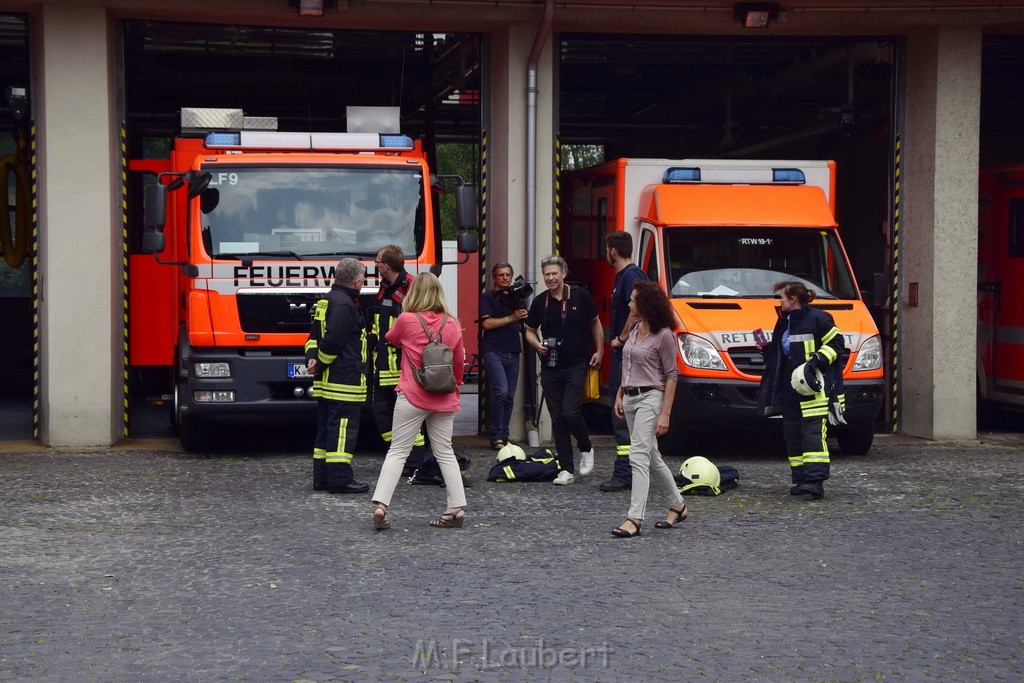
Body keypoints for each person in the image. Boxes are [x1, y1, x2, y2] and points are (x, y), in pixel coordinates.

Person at [370, 273, 468, 530]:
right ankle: (456, 508)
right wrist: (455, 386)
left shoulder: (406, 319)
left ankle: (381, 505)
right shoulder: (453, 324)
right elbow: (459, 362)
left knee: (398, 451)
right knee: (445, 452)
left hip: (413, 395)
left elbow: (390, 338)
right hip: (444, 396)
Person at [757, 281, 846, 500]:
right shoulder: (784, 321)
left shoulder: (818, 318)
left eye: (782, 298)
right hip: (790, 386)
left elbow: (837, 343)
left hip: (813, 388)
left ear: (792, 299)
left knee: (813, 434)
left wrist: (816, 360)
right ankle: (800, 479)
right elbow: (783, 354)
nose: (780, 301)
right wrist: (767, 350)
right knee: (793, 432)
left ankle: (815, 482)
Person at [610, 281, 686, 538]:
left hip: (650, 399)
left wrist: (665, 414)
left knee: (638, 456)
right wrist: (620, 394)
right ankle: (678, 505)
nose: (629, 304)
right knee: (652, 457)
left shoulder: (664, 335)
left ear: (645, 305)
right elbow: (627, 363)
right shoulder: (634, 328)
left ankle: (634, 518)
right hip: (630, 398)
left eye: (632, 300)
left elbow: (672, 375)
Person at [525, 255, 603, 486]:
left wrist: (600, 351)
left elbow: (595, 322)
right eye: (546, 274)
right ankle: (566, 469)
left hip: (577, 364)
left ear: (563, 273)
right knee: (558, 418)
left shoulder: (580, 295)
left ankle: (586, 447)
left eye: (554, 273)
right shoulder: (540, 302)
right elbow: (529, 330)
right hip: (550, 367)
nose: (550, 278)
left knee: (570, 411)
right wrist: (537, 344)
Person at [304, 257, 370, 494]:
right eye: (362, 278)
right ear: (356, 280)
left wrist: (312, 358)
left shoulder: (326, 301)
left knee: (327, 430)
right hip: (344, 381)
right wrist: (320, 363)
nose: (363, 282)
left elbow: (313, 336)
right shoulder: (345, 305)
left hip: (328, 383)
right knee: (342, 430)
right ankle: (340, 480)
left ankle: (322, 479)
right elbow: (333, 342)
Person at [370, 245, 430, 475]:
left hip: (406, 364)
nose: (375, 265)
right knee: (381, 412)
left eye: (377, 262)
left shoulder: (412, 287)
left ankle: (414, 462)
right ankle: (396, 455)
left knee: (409, 415)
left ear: (386, 265)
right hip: (384, 363)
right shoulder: (384, 288)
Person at [602, 231, 649, 491]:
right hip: (628, 354)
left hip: (628, 355)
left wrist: (621, 338)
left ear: (612, 250)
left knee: (621, 410)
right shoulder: (629, 275)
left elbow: (637, 310)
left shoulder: (630, 276)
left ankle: (625, 473)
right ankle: (632, 470)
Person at [479, 262, 528, 450]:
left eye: (508, 275)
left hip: (513, 350)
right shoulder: (488, 298)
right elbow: (487, 324)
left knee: (509, 397)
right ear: (494, 278)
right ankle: (496, 436)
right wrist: (512, 318)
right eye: (501, 275)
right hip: (493, 350)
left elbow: (524, 322)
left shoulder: (518, 298)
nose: (505, 278)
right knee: (501, 391)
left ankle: (504, 435)